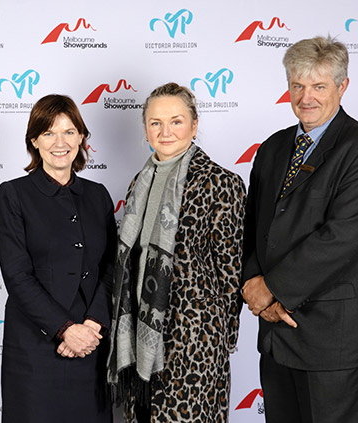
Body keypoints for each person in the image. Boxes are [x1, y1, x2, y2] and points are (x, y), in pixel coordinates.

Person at [242, 36, 358, 423]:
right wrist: (252, 283)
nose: (306, 97)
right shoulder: (274, 148)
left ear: (342, 87)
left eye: (319, 86)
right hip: (276, 337)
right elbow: (253, 225)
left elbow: (340, 239)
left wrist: (272, 290)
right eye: (298, 85)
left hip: (333, 343)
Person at [107, 82, 246, 422]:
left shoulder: (220, 182)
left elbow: (230, 271)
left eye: (176, 121)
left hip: (193, 337)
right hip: (140, 330)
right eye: (155, 122)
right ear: (145, 129)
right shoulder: (139, 182)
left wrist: (217, 339)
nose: (165, 131)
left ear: (194, 125)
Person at [0, 94, 116, 422]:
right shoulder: (13, 194)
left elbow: (110, 267)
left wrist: (92, 325)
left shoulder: (98, 195)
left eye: (69, 131)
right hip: (36, 348)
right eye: (48, 133)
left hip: (92, 344)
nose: (59, 142)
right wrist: (65, 329)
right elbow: (17, 275)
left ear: (81, 137)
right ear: (34, 140)